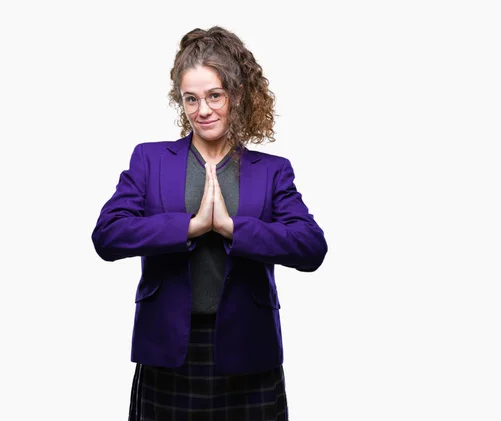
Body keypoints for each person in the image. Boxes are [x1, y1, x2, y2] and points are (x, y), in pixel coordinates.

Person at [91, 26, 328, 421]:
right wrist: (191, 227)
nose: (203, 110)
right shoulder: (150, 160)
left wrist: (233, 229)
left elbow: (311, 247)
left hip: (249, 350)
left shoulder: (271, 171)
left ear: (236, 95)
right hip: (169, 350)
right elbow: (107, 234)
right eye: (191, 98)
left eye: (214, 95)